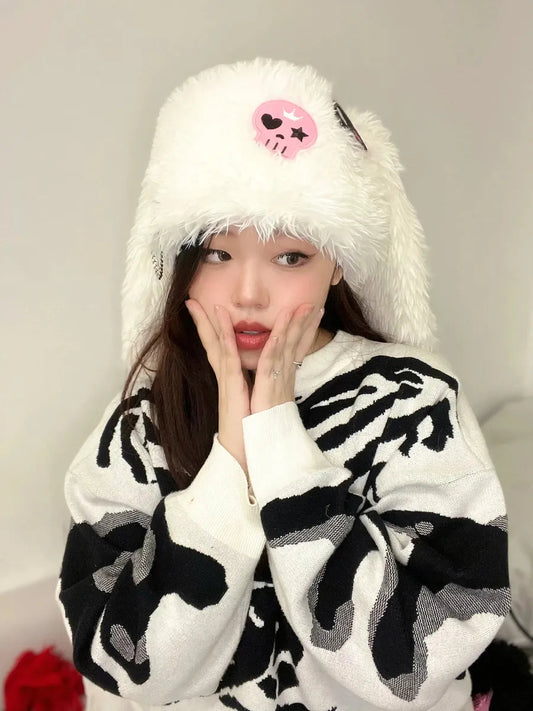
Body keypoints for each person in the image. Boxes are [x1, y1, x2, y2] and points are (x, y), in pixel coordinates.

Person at [56, 58, 510, 711]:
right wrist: (230, 462)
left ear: (336, 264)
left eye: (290, 256)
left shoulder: (411, 400)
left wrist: (278, 438)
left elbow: (414, 664)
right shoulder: (138, 422)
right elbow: (124, 670)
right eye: (216, 252)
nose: (248, 293)